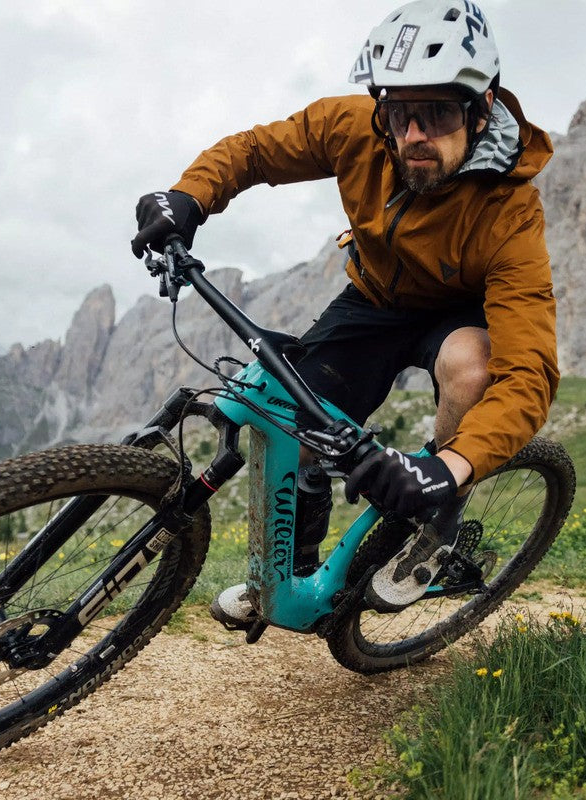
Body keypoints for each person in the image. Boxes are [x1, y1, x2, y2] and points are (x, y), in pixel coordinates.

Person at [130, 0, 558, 623]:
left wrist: (445, 469)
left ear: (482, 107)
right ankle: (286, 578)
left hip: (456, 313)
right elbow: (255, 151)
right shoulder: (355, 127)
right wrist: (188, 197)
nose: (414, 135)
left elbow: (529, 374)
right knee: (295, 427)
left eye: (438, 113)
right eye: (400, 113)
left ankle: (438, 521)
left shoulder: (511, 210)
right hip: (374, 300)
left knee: (472, 369)